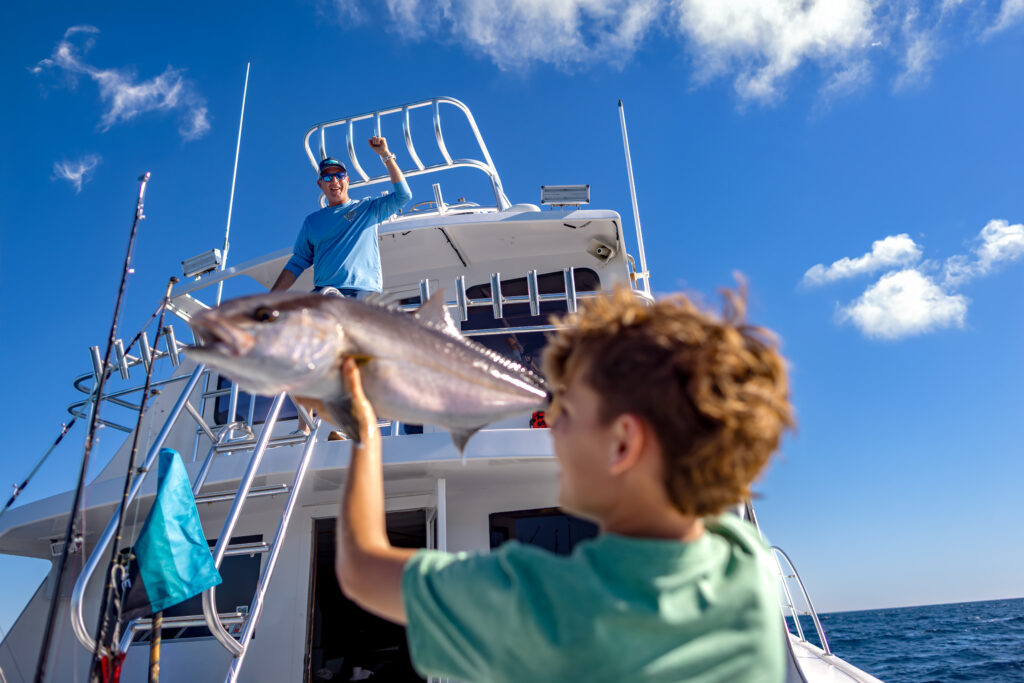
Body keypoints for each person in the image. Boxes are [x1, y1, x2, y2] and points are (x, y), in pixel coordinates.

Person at [334, 285, 794, 682]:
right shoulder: (746, 561)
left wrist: (362, 425)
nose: (550, 425)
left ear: (623, 444)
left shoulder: (548, 607)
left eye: (566, 412)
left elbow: (360, 569)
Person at [270, 136, 412, 296]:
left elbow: (403, 196)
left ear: (347, 180)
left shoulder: (368, 208)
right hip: (324, 295)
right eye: (328, 177)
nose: (334, 181)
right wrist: (270, 298)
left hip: (364, 294)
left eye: (339, 175)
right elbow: (298, 262)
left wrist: (385, 155)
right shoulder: (312, 222)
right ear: (320, 184)